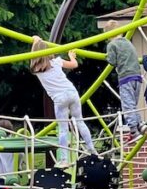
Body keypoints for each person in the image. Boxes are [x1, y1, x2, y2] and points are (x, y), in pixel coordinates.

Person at [29, 36, 98, 167]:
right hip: (72, 93)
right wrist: (71, 56)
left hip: (60, 99)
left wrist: (36, 42)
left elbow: (36, 54)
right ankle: (92, 150)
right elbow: (74, 65)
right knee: (80, 121)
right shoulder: (56, 62)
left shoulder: (35, 69)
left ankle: (64, 160)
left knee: (63, 129)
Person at [103, 20, 146, 138]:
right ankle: (140, 124)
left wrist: (107, 57)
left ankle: (133, 130)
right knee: (133, 104)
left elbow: (112, 61)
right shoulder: (127, 42)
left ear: (108, 35)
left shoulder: (112, 45)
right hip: (137, 76)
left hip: (125, 77)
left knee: (127, 105)